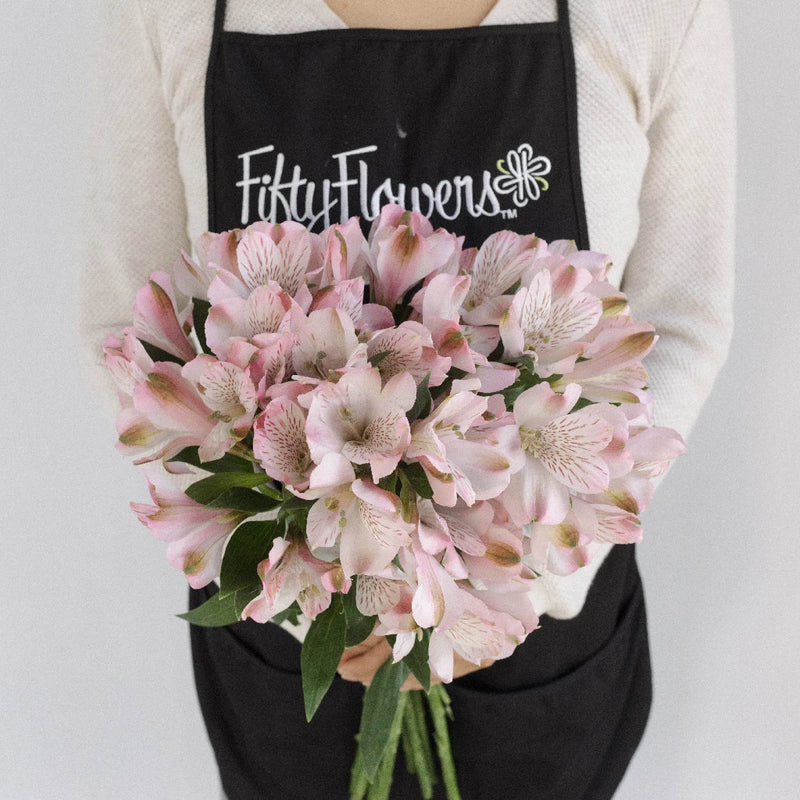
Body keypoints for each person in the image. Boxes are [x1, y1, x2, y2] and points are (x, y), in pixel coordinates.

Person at [80, 1, 735, 797]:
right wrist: (325, 596)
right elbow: (129, 329)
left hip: (542, 630)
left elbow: (681, 317)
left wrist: (493, 599)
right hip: (295, 637)